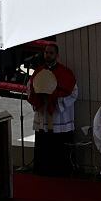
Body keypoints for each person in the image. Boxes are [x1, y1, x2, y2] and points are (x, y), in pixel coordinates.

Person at [26, 43, 78, 177]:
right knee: (43, 145)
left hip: (58, 116)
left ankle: (60, 173)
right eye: (46, 52)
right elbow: (30, 88)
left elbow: (73, 92)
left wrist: (56, 100)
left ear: (57, 55)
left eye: (51, 53)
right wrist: (39, 99)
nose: (48, 55)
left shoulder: (65, 72)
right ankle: (43, 171)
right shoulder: (38, 72)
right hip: (43, 114)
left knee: (59, 147)